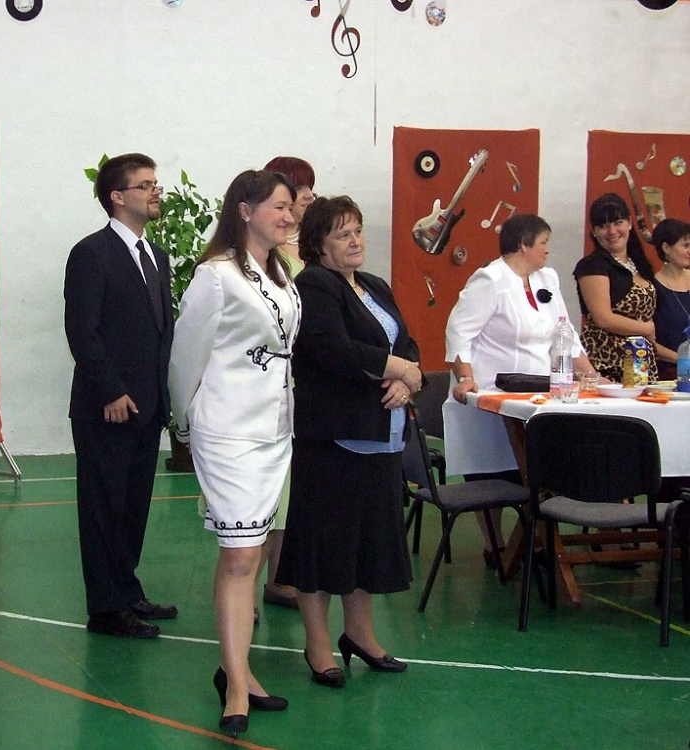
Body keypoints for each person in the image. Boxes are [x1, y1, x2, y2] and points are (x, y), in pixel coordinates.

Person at [169, 169, 300, 738]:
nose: (289, 216)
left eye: (291, 207)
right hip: (226, 430)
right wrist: (184, 420)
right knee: (241, 554)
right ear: (245, 211)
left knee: (251, 552)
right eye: (279, 206)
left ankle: (238, 671)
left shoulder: (282, 274)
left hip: (274, 430)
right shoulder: (216, 275)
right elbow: (185, 356)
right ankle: (236, 687)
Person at [276, 195, 420, 690]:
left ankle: (359, 633)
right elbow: (331, 348)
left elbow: (406, 342)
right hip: (333, 437)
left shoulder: (375, 285)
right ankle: (318, 644)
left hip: (381, 433)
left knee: (368, 540)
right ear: (318, 245)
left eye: (357, 230)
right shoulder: (315, 284)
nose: (356, 240)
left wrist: (406, 380)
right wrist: (400, 370)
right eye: (343, 234)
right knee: (322, 543)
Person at [64, 153, 177, 640]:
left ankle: (127, 590)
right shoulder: (91, 253)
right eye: (145, 185)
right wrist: (110, 389)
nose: (155, 192)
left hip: (148, 404)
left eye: (155, 184)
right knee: (103, 506)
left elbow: (160, 332)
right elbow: (82, 331)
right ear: (117, 196)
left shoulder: (157, 256)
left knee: (133, 504)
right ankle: (106, 609)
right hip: (107, 406)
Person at [444, 214, 594, 561]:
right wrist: (465, 377)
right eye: (543, 243)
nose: (547, 250)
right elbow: (459, 332)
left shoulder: (547, 278)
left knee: (536, 466)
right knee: (491, 467)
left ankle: (533, 541)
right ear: (524, 245)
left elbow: (565, 333)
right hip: (490, 391)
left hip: (538, 392)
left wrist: (592, 376)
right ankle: (495, 546)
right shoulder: (490, 279)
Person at [256, 156, 317, 612]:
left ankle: (280, 579)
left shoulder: (308, 250)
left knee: (292, 492)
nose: (309, 197)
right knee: (263, 493)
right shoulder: (267, 255)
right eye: (301, 190)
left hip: (306, 384)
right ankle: (245, 588)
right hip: (270, 384)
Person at [573, 192, 658, 382]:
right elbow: (603, 318)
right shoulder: (592, 265)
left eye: (618, 222)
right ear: (594, 231)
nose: (612, 231)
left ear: (629, 223)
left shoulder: (640, 263)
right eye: (603, 226)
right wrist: (646, 328)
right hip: (608, 365)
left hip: (640, 363)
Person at [649, 218, 690, 381]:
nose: (689, 251)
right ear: (666, 247)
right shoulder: (652, 287)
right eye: (685, 246)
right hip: (668, 375)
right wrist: (683, 360)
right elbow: (648, 342)